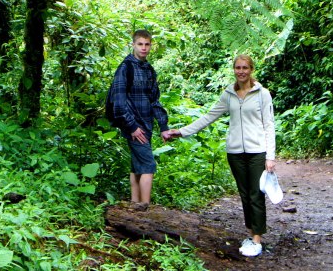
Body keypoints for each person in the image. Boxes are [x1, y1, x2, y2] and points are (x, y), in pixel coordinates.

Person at [168, 55, 276, 257]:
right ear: (233, 69)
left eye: (245, 67)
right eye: (237, 67)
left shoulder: (263, 94)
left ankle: (257, 240)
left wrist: (270, 156)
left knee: (256, 194)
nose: (241, 71)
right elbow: (209, 116)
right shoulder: (229, 94)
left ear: (251, 69)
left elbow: (269, 125)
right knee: (245, 195)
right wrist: (182, 131)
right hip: (235, 152)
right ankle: (250, 234)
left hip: (257, 152)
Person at [108, 29, 172, 208]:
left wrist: (164, 126)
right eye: (140, 44)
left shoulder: (149, 69)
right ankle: (145, 208)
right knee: (148, 165)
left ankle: (134, 205)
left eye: (147, 44)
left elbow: (154, 100)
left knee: (138, 166)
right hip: (134, 126)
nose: (144, 48)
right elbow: (118, 103)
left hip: (147, 124)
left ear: (151, 45)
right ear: (133, 45)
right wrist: (132, 127)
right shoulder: (125, 68)